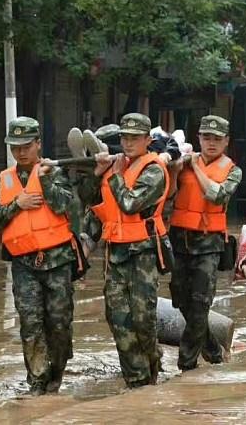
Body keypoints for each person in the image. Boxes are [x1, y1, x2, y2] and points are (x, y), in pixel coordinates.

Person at [0, 117, 77, 396]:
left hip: (57, 261)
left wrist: (45, 181)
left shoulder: (55, 173)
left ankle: (55, 376)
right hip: (23, 263)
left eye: (26, 146)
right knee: (30, 323)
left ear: (38, 144)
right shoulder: (3, 180)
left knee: (59, 323)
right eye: (15, 147)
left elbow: (63, 205)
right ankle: (37, 380)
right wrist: (16, 205)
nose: (21, 152)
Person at [86, 113, 170, 388]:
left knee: (143, 318)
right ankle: (136, 381)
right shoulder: (114, 168)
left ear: (148, 140)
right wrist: (97, 174)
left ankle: (152, 360)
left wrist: (115, 174)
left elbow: (130, 204)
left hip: (142, 253)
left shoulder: (154, 169)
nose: (129, 143)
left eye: (135, 138)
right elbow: (88, 200)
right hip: (115, 253)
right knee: (118, 318)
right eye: (125, 137)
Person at [167, 115, 242, 371]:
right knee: (181, 300)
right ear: (198, 138)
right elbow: (167, 195)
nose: (211, 143)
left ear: (226, 142)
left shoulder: (232, 170)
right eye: (206, 138)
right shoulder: (183, 161)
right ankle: (211, 347)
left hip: (209, 243)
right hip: (179, 239)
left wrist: (195, 168)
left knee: (200, 302)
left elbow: (216, 195)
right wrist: (177, 169)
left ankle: (186, 364)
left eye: (217, 139)